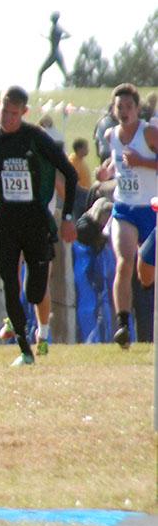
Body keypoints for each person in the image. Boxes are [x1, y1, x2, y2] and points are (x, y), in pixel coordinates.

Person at [0, 86, 77, 366]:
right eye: (4, 112)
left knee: (35, 291)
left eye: (14, 114)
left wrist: (67, 217)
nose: (7, 119)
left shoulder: (35, 138)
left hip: (37, 222)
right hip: (5, 222)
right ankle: (24, 349)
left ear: (24, 113)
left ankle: (42, 333)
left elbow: (70, 173)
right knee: (8, 282)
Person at [104, 83, 158, 349]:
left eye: (129, 107)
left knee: (148, 274)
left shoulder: (149, 133)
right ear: (114, 110)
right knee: (125, 262)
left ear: (138, 109)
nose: (124, 112)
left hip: (152, 209)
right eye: (119, 107)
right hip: (124, 208)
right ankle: (123, 326)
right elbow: (117, 162)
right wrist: (107, 171)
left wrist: (142, 162)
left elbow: (140, 161)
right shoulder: (110, 135)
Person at [35, 12, 70, 90]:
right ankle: (71, 87)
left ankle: (37, 89)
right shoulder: (59, 28)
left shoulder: (54, 28)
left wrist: (47, 37)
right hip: (58, 53)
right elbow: (68, 35)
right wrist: (60, 39)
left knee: (40, 71)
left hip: (53, 53)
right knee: (64, 72)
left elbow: (53, 40)